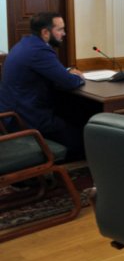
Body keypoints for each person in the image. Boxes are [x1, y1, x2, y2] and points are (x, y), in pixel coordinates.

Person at [0, 12, 86, 158]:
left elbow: (45, 70)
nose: (64, 33)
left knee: (71, 116)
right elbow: (69, 82)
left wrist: (65, 71)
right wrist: (79, 77)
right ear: (45, 32)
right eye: (60, 29)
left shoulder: (25, 44)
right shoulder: (39, 51)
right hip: (27, 119)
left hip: (14, 115)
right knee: (82, 138)